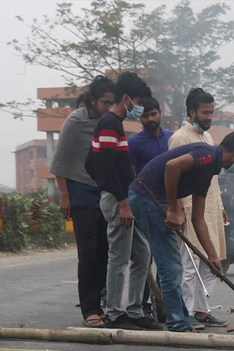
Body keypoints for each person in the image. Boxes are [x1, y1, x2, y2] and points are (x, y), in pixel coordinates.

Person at [129, 131, 234, 332]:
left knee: (171, 265)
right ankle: (178, 323)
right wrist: (172, 209)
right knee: (170, 266)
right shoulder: (207, 155)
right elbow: (172, 167)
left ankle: (179, 320)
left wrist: (212, 257)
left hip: (151, 199)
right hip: (148, 198)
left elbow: (198, 218)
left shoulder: (209, 171)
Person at [84, 72, 161, 331]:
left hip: (122, 197)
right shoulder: (109, 123)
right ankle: (115, 313)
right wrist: (119, 200)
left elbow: (91, 163)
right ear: (126, 98)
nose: (139, 107)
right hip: (119, 201)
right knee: (118, 257)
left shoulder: (115, 124)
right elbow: (104, 167)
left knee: (142, 253)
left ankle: (134, 310)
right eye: (138, 101)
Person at [51, 75, 115, 328]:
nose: (109, 107)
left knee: (105, 252)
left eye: (112, 102)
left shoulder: (110, 122)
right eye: (104, 102)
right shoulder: (75, 122)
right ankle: (89, 308)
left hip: (106, 194)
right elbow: (60, 162)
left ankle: (102, 302)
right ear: (91, 100)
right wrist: (64, 195)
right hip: (80, 193)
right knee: (88, 254)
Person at [168, 88, 227, 330]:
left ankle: (202, 311)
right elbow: (172, 177)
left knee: (210, 264)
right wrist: (177, 209)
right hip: (190, 211)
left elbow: (213, 179)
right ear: (192, 112)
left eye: (212, 112)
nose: (209, 117)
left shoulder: (209, 139)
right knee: (189, 265)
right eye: (205, 112)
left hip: (210, 210)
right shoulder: (179, 138)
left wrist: (220, 206)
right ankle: (187, 311)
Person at [128, 96, 173, 317]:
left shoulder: (172, 139)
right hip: (144, 204)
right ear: (140, 118)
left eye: (153, 114)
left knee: (166, 258)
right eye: (145, 116)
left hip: (168, 204)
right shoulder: (134, 143)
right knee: (146, 258)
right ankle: (145, 305)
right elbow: (131, 175)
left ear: (160, 112)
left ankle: (166, 306)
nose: (150, 119)